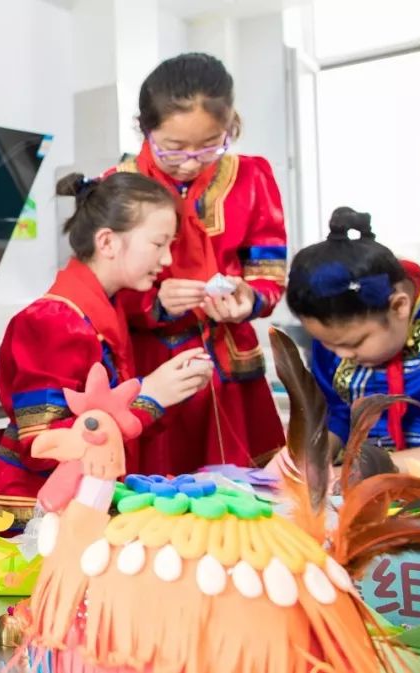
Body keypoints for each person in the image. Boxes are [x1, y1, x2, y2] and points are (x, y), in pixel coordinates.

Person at [0, 172, 213, 528]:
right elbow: (42, 445)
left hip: (78, 506)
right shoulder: (52, 321)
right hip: (31, 514)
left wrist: (167, 390)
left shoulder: (105, 309)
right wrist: (149, 396)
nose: (166, 260)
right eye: (158, 244)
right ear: (107, 242)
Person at [109, 52, 287, 474]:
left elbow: (268, 275)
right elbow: (103, 286)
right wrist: (155, 303)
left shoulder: (252, 178)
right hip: (151, 367)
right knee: (154, 491)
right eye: (173, 150)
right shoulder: (117, 186)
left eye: (210, 146)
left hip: (229, 368)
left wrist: (247, 299)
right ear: (144, 129)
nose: (190, 162)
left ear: (231, 127)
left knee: (242, 491)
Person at [286, 207, 420, 466]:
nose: (342, 354)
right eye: (327, 344)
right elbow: (338, 414)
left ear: (399, 306)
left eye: (355, 343)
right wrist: (313, 456)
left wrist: (378, 469)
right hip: (360, 474)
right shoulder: (336, 336)